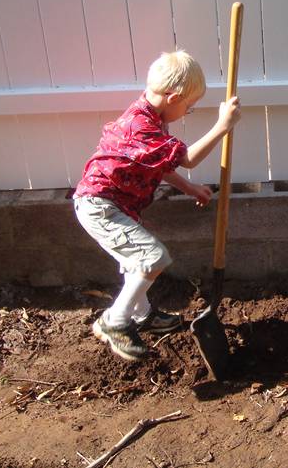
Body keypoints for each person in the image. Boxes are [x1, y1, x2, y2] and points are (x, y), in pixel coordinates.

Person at [73, 50, 241, 362]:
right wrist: (222, 125)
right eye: (188, 107)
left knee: (134, 262)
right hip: (99, 207)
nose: (187, 112)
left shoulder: (151, 117)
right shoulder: (141, 127)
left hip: (111, 206)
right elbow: (187, 158)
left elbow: (158, 164)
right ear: (174, 97)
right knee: (152, 257)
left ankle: (143, 316)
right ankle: (114, 322)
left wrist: (188, 187)